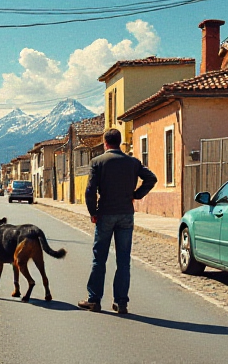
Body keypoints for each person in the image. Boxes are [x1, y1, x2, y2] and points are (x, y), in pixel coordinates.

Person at [78, 128, 157, 314]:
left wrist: (93, 212)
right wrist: (136, 195)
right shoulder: (133, 162)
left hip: (105, 214)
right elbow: (151, 178)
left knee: (99, 259)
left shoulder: (97, 162)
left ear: (105, 143)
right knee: (123, 260)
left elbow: (90, 191)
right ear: (119, 142)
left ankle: (94, 300)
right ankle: (121, 302)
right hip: (126, 215)